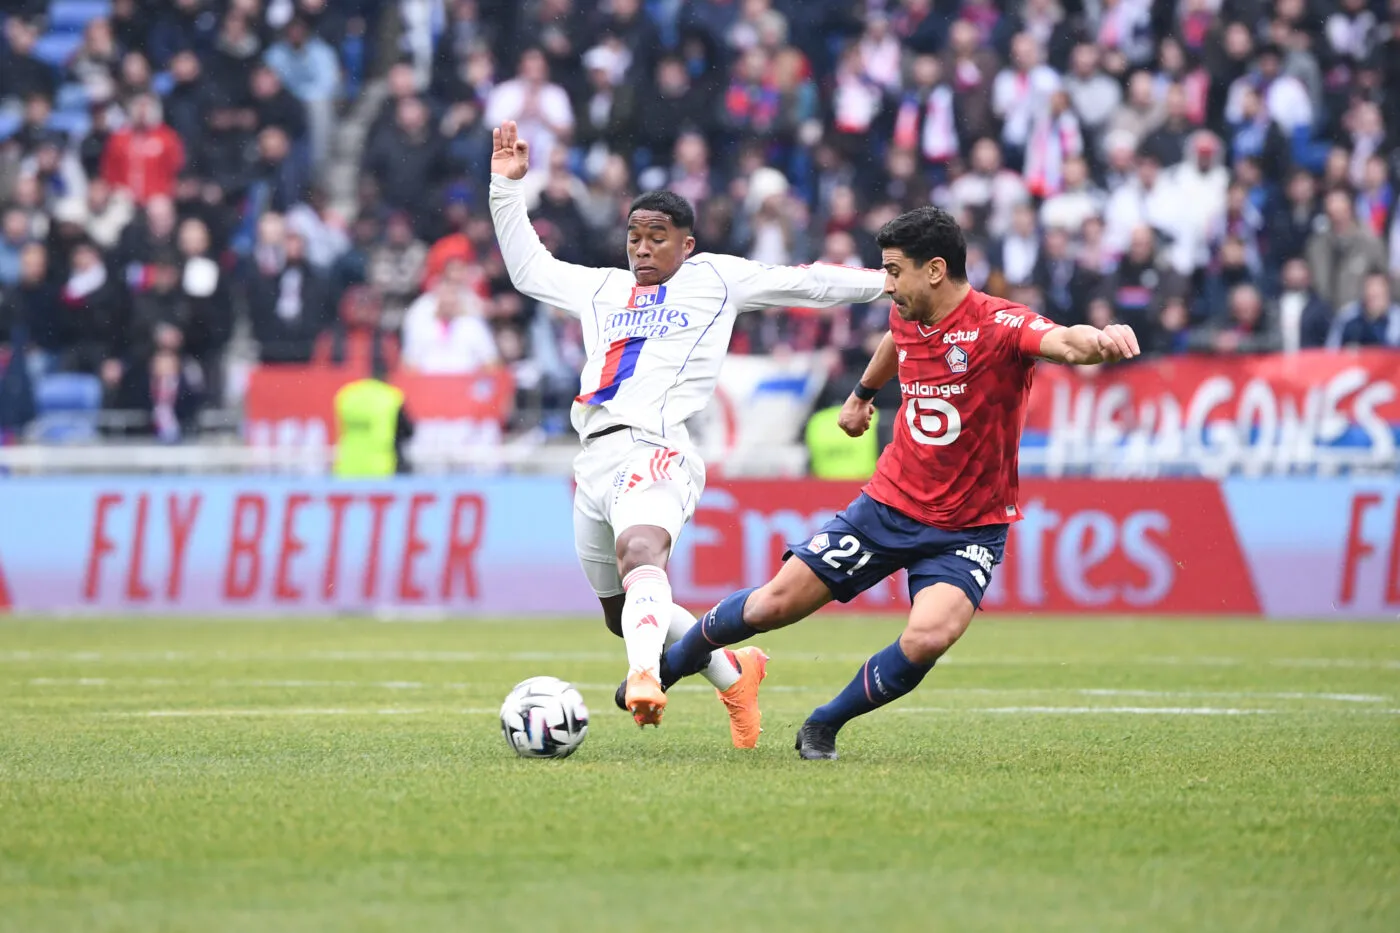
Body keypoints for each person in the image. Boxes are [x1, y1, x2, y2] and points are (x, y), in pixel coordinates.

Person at [659, 206, 1140, 759]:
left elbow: (1064, 342)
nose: (886, 286)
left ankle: (822, 725)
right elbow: (896, 341)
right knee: (772, 605)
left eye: (893, 271)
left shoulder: (999, 325)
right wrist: (862, 394)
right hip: (888, 505)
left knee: (929, 636)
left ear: (934, 269)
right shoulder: (908, 312)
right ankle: (665, 670)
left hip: (969, 528)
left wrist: (1102, 340)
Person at [488, 120, 887, 747]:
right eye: (634, 237)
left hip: (659, 447)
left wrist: (886, 283)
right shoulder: (602, 289)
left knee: (642, 555)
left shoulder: (715, 279)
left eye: (657, 237)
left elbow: (806, 281)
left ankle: (646, 677)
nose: (642, 249)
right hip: (592, 458)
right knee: (621, 615)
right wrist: (505, 190)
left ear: (687, 244)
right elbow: (527, 270)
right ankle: (736, 675)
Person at [332, 358, 414, 477]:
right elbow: (407, 431)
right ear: (387, 377)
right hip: (379, 469)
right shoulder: (390, 397)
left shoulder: (348, 395)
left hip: (348, 466)